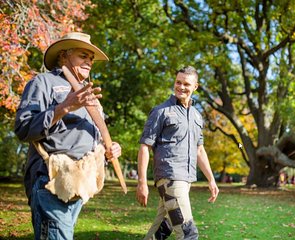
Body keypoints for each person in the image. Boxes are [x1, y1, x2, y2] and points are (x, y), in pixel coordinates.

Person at [14, 32, 121, 240]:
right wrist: (64, 107)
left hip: (79, 184)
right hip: (51, 179)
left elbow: (91, 139)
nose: (89, 62)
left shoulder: (88, 95)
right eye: (83, 55)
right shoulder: (43, 82)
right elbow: (23, 128)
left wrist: (107, 151)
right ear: (64, 56)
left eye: (91, 58)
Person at [136, 66, 219, 239]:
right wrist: (142, 182)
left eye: (186, 84)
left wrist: (211, 180)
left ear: (195, 86)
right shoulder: (161, 111)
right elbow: (145, 147)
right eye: (178, 82)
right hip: (170, 179)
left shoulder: (197, 116)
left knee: (162, 228)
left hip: (186, 179)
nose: (181, 87)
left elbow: (199, 150)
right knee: (188, 232)